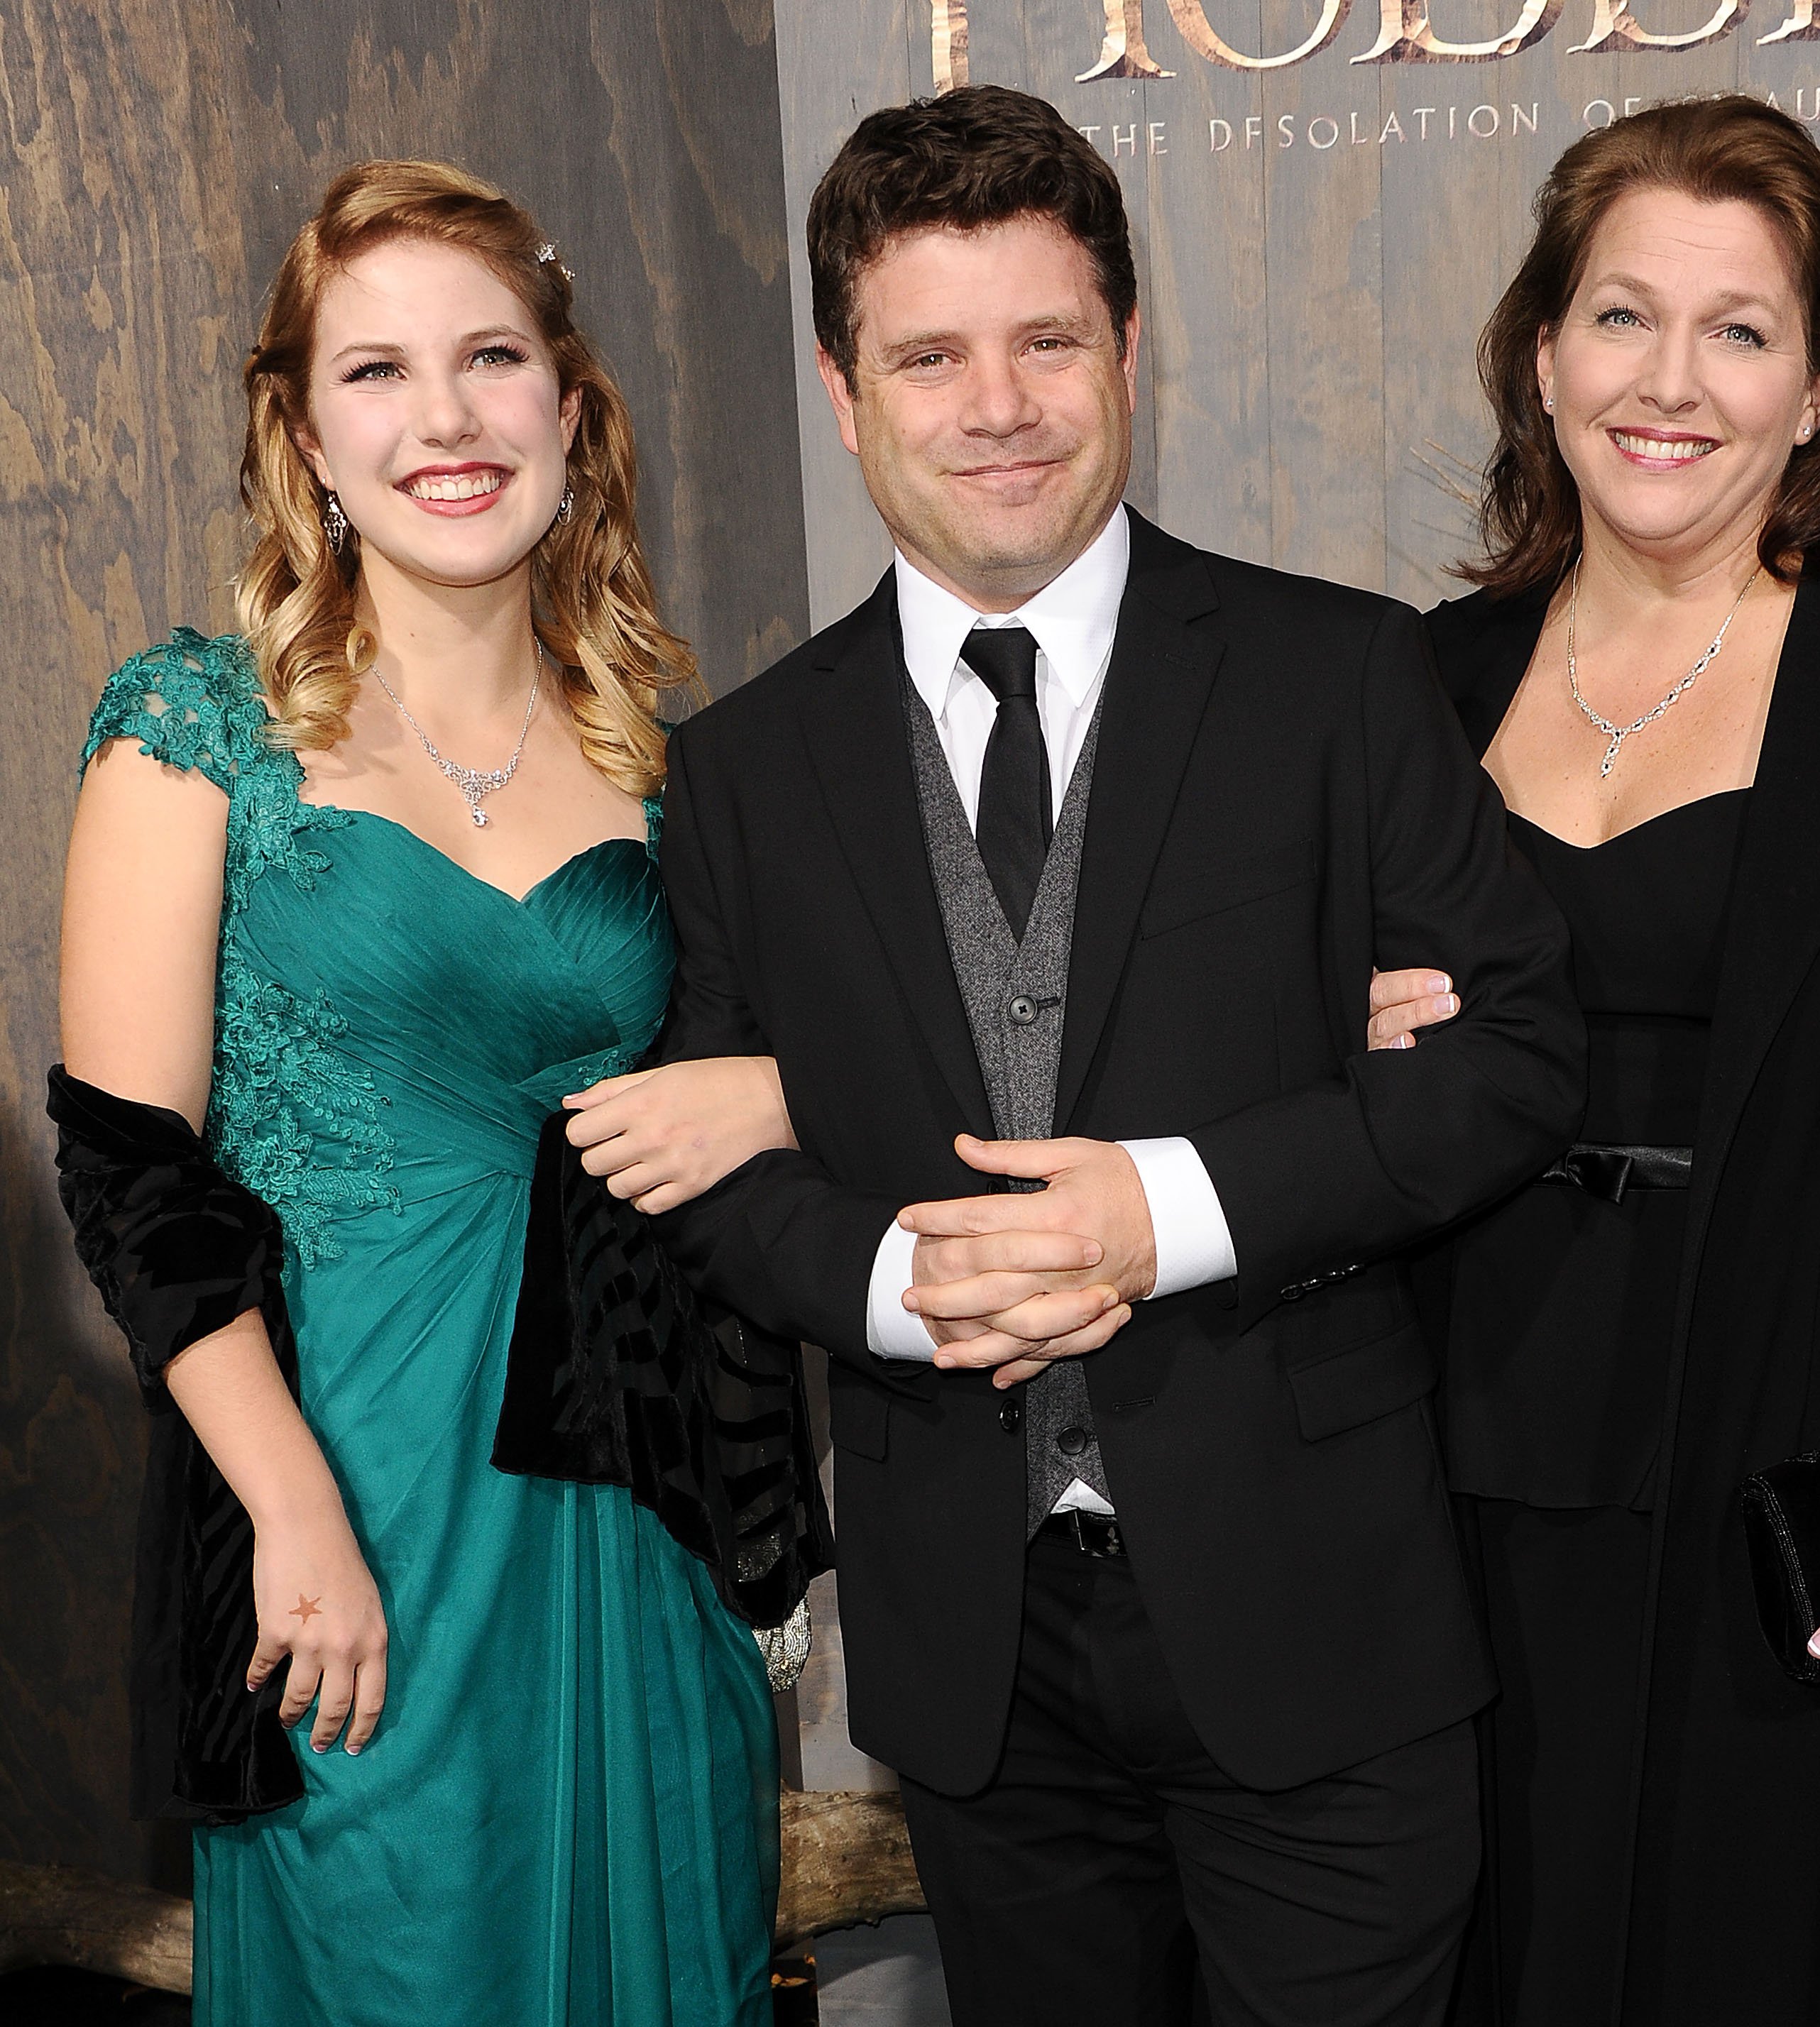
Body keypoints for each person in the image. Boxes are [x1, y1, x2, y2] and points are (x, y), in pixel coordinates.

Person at [630, 83, 1582, 2027]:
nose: (999, 405)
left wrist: (1170, 1210)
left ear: (1128, 350)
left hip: (1320, 1634)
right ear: (844, 386)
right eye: (931, 355)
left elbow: (1512, 1064)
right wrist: (908, 1282)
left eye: (1048, 341)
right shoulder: (739, 769)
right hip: (978, 1667)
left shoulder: (1337, 681)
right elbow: (717, 1166)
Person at [1368, 98, 1820, 2026]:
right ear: (1543, 355)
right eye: (1621, 319)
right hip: (1456, 1464)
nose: (1667, 383)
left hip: (1792, 1473)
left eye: (1738, 330)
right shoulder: (1416, 684)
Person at [54, 161, 802, 2026]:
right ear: (306, 434)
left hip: (632, 1511)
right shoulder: (195, 730)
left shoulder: (665, 761)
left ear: (568, 401)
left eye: (490, 358)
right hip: (349, 1500)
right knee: (397, 1940)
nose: (446, 418)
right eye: (376, 373)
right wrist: (293, 1511)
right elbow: (130, 1173)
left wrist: (777, 1097)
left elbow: (855, 1058)